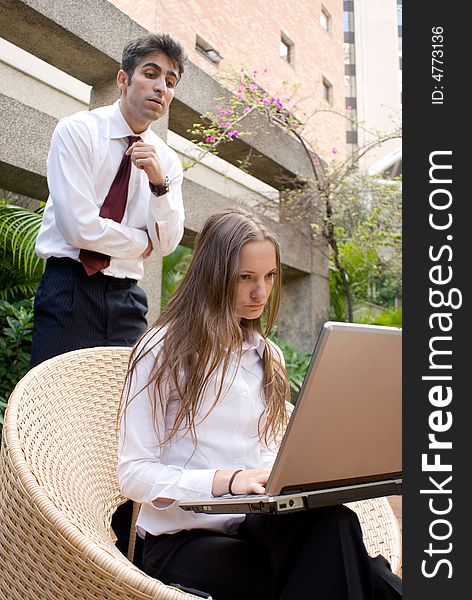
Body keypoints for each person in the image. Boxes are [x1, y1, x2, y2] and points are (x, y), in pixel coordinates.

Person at [118, 207, 402, 600]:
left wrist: (289, 478)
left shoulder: (267, 356)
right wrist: (227, 481)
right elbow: (133, 474)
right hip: (182, 540)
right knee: (345, 570)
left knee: (332, 522)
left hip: (254, 526)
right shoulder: (161, 350)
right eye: (245, 278)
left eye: (269, 277)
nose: (261, 294)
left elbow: (267, 453)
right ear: (213, 277)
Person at [30, 32, 187, 368]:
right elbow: (77, 228)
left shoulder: (168, 161)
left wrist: (160, 185)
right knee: (54, 406)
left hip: (127, 299)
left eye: (170, 81)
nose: (161, 87)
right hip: (69, 288)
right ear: (123, 79)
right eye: (150, 74)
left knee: (121, 411)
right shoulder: (78, 132)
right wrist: (139, 242)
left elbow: (168, 242)